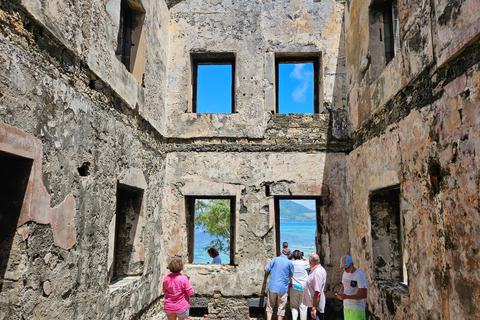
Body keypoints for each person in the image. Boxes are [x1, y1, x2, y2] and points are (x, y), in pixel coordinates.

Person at [264, 248, 294, 320]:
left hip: (273, 286)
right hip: (283, 287)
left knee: (270, 305)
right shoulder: (289, 263)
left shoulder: (275, 259)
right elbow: (291, 275)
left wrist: (267, 263)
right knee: (281, 307)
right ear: (289, 255)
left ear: (281, 252)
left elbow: (266, 270)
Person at [335, 255, 368, 320]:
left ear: (352, 264)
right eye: (343, 268)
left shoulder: (359, 275)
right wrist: (341, 292)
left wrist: (346, 297)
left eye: (347, 267)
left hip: (356, 308)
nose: (345, 269)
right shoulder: (345, 273)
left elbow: (364, 295)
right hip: (346, 307)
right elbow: (343, 285)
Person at [302, 254, 327, 320]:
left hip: (316, 305)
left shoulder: (317, 273)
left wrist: (314, 308)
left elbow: (317, 292)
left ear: (310, 261)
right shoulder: (317, 269)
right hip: (314, 303)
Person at [289, 250, 310, 320]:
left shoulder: (291, 263)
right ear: (301, 256)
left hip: (293, 287)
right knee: (303, 307)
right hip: (304, 288)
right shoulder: (305, 264)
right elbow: (312, 266)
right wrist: (306, 259)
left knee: (294, 306)